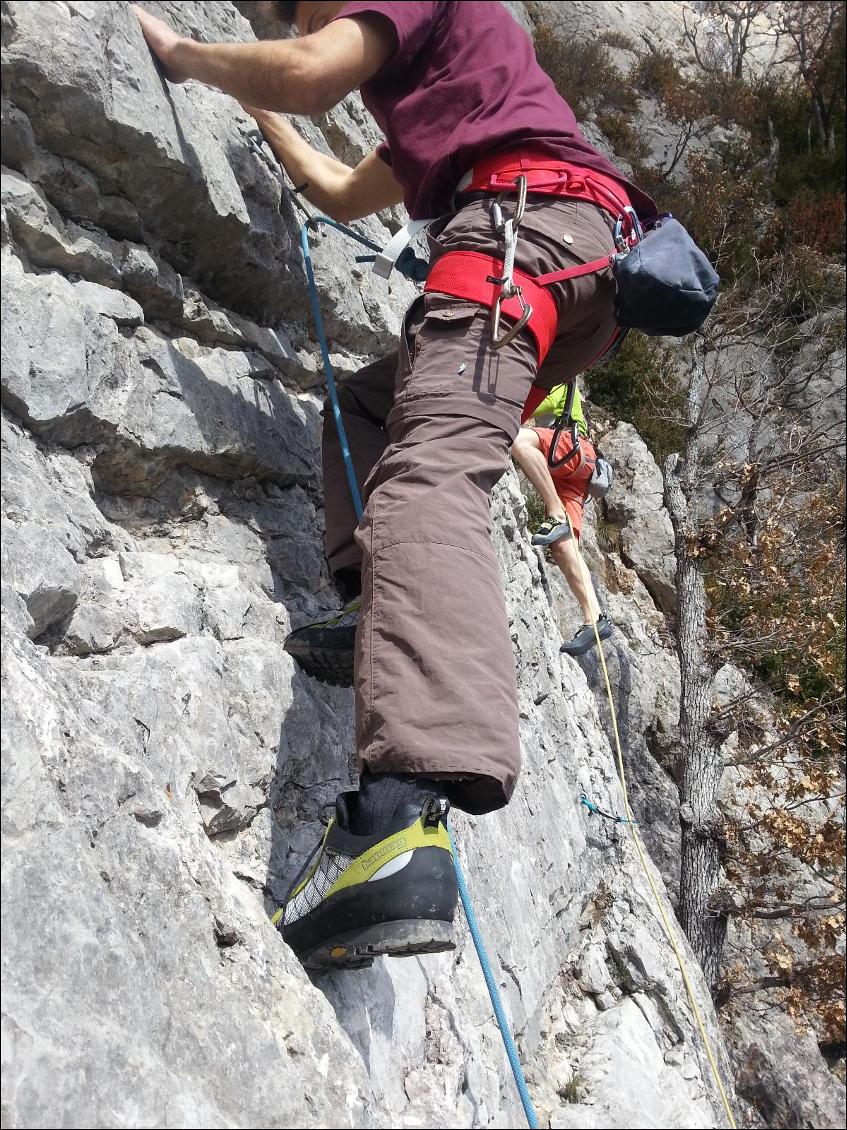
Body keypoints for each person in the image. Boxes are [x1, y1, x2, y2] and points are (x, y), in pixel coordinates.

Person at [133, 0, 655, 970]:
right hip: (575, 260)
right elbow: (339, 188)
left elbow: (313, 68)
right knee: (364, 411)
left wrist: (189, 55)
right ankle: (373, 595)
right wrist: (265, 118)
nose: (300, 13)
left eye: (300, 5)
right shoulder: (459, 91)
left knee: (426, 476)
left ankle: (396, 812)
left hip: (516, 233)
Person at [512, 383, 614, 658]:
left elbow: (522, 410)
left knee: (519, 440)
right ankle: (594, 617)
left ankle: (555, 513)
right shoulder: (563, 377)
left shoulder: (558, 380)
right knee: (563, 545)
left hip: (569, 449)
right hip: (574, 467)